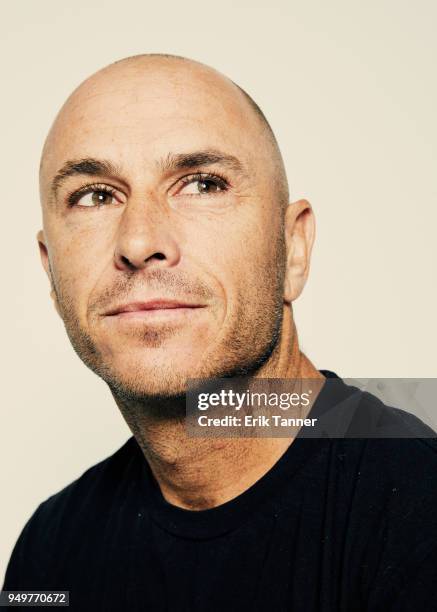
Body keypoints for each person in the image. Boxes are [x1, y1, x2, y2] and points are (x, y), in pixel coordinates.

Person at [3, 54, 436, 611]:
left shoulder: (419, 509)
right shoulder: (49, 550)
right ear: (50, 269)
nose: (138, 242)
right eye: (95, 196)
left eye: (203, 184)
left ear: (293, 251)